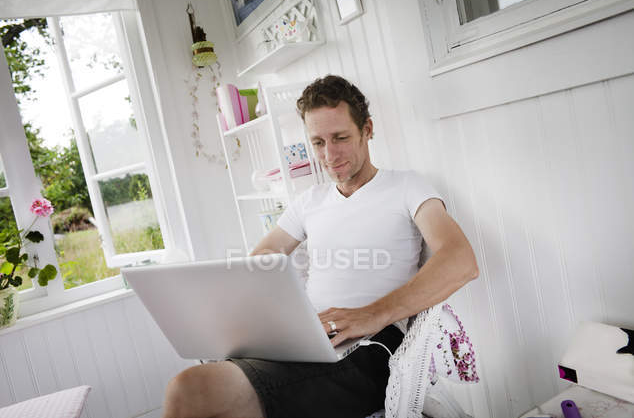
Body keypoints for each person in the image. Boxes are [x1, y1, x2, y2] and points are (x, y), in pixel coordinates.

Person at [162, 75, 479, 418]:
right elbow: (257, 267)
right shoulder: (308, 201)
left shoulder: (407, 186)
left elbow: (460, 260)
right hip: (311, 341)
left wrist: (370, 315)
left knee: (194, 391)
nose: (329, 155)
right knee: (196, 386)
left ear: (367, 129)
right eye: (317, 142)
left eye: (340, 138)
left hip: (372, 349)